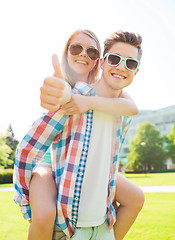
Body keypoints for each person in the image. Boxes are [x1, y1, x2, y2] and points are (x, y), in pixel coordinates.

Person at [13, 30, 144, 240]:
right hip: (50, 163)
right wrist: (61, 93)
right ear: (103, 62)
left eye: (91, 51)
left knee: (136, 197)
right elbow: (31, 145)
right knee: (44, 215)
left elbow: (131, 107)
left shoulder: (118, 105)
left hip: (94, 197)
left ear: (96, 61)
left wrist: (89, 102)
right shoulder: (75, 94)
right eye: (76, 48)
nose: (83, 54)